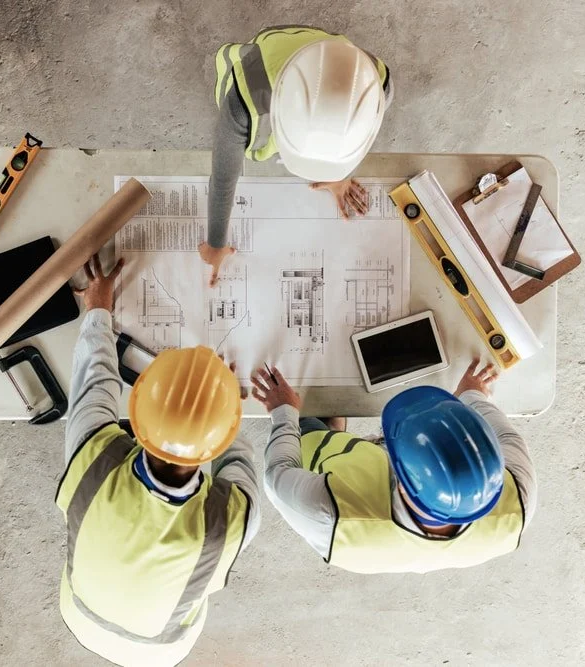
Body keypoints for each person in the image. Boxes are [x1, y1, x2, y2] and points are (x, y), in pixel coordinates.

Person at [58, 253, 260, 667]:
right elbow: (235, 455)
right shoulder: (228, 521)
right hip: (159, 650)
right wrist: (218, 403)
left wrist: (98, 306)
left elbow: (94, 377)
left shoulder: (92, 457)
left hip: (79, 611)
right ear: (216, 441)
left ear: (137, 410)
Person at [251, 359, 536, 574]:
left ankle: (329, 432)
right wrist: (472, 395)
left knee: (311, 428)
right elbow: (508, 437)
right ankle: (336, 429)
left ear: (398, 476)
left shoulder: (331, 514)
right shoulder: (519, 499)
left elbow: (278, 474)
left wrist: (284, 411)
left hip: (336, 474)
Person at [200, 25, 395, 286]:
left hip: (323, 52)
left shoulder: (375, 84)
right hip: (268, 53)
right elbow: (224, 179)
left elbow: (353, 131)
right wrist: (215, 243)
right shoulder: (245, 97)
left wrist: (339, 175)